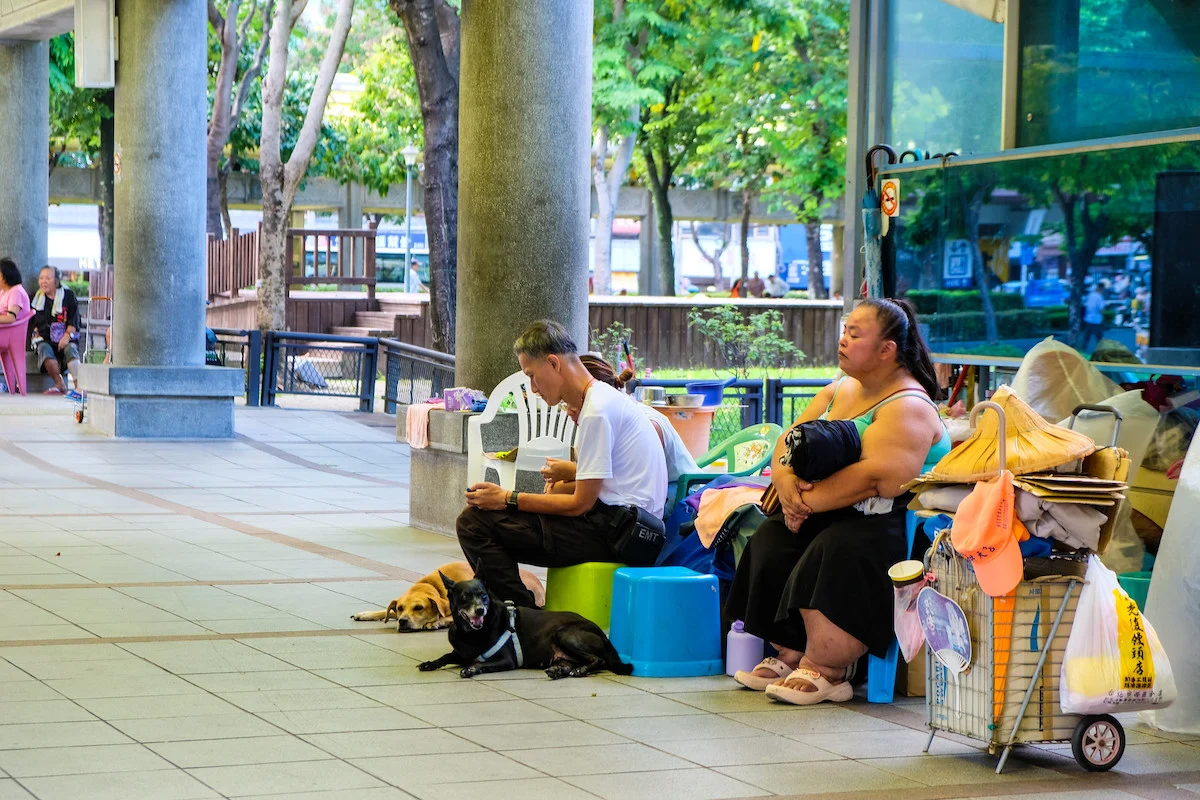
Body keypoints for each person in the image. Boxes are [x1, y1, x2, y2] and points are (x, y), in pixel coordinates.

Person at [725, 297, 950, 705]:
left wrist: (803, 504)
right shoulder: (839, 389)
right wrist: (786, 480)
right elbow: (787, 441)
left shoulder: (908, 405)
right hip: (832, 509)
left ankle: (830, 667)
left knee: (837, 545)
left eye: (855, 334)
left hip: (894, 525)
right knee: (773, 538)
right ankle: (790, 652)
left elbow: (877, 478)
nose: (843, 341)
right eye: (844, 331)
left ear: (887, 350)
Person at [456, 320, 668, 607]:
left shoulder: (597, 411)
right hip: (620, 526)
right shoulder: (603, 400)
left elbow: (580, 504)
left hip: (622, 536)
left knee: (474, 524)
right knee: (481, 518)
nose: (532, 389)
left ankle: (522, 619)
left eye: (532, 376)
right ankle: (521, 614)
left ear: (554, 363)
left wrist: (508, 498)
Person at [541, 354, 700, 503]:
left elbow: (638, 482)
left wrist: (573, 472)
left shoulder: (647, 423)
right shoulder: (595, 417)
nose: (569, 410)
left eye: (569, 399)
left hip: (684, 493)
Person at [30, 266, 82, 399]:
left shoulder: (68, 296)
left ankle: (79, 388)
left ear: (57, 281)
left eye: (48, 278)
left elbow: (74, 320)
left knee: (70, 348)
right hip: (46, 340)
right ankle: (59, 384)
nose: (44, 281)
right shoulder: (36, 300)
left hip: (66, 337)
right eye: (41, 278)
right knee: (43, 348)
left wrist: (66, 336)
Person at [0, 258, 30, 325]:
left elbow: (10, 318)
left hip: (10, 332)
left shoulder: (16, 292)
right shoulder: (3, 291)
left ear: (5, 276)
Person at [1083, 280, 1107, 352]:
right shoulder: (1099, 297)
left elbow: (1086, 305)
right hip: (1096, 320)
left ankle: (1083, 350)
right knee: (1099, 338)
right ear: (1101, 288)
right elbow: (1101, 309)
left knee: (1086, 337)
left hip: (1088, 319)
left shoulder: (1090, 295)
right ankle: (1101, 352)